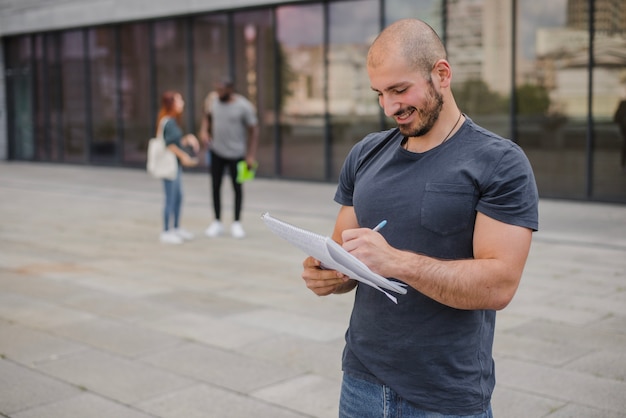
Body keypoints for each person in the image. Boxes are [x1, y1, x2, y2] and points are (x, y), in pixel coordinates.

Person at [301, 19, 539, 417]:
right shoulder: (365, 154)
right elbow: (346, 255)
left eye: (399, 89)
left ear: (441, 74)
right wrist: (328, 272)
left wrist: (396, 262)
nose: (390, 106)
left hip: (446, 395)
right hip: (360, 382)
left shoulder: (499, 162)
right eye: (379, 94)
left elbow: (498, 286)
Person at [199, 79, 259, 239]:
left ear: (230, 90)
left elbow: (254, 131)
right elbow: (206, 117)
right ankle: (217, 222)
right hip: (217, 151)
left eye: (221, 90)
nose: (218, 93)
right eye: (217, 89)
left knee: (237, 188)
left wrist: (250, 155)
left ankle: (236, 223)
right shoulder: (212, 100)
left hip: (237, 154)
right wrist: (204, 131)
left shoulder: (244, 106)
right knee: (215, 187)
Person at [157, 90, 199, 244]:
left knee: (178, 197)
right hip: (169, 167)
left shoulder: (172, 120)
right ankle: (166, 231)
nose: (182, 103)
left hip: (174, 166)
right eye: (179, 100)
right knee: (171, 198)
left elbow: (175, 141)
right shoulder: (168, 121)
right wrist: (184, 156)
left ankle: (175, 228)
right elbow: (169, 144)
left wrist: (187, 139)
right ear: (172, 103)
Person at [613, 98, 626, 170]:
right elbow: (616, 118)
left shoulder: (623, 104)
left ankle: (623, 163)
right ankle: (623, 163)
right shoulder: (623, 104)